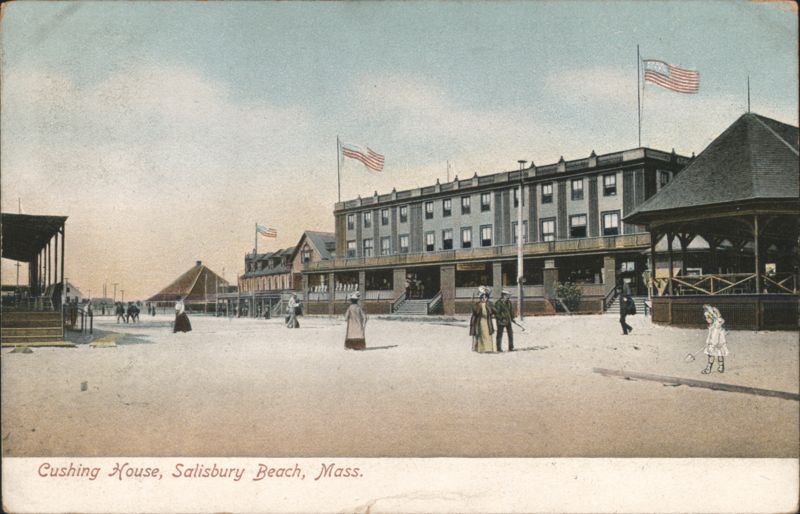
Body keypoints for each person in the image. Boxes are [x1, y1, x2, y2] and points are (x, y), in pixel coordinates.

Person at [702, 305, 728, 374]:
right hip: (712, 343)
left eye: (708, 318)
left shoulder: (717, 324)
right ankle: (710, 368)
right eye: (706, 318)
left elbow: (720, 320)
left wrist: (718, 313)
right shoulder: (712, 326)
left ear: (712, 317)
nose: (706, 319)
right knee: (712, 355)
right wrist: (708, 342)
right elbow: (710, 336)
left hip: (718, 344)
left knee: (719, 354)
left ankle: (720, 367)